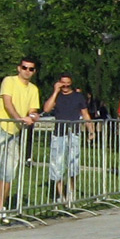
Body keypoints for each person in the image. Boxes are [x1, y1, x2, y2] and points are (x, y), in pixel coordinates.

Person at [0, 58, 41, 213]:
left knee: (8, 171)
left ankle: (0, 206)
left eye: (31, 69)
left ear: (34, 72)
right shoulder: (9, 81)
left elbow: (32, 109)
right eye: (24, 67)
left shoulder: (33, 89)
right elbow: (7, 103)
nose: (27, 71)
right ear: (19, 68)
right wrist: (19, 118)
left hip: (14, 132)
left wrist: (33, 116)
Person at [43, 72, 93, 203]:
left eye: (67, 84)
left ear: (71, 84)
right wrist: (55, 92)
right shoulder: (57, 96)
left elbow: (85, 114)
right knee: (57, 165)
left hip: (74, 133)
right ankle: (60, 195)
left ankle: (71, 191)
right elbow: (46, 109)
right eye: (62, 84)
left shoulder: (78, 97)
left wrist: (91, 130)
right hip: (59, 133)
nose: (65, 86)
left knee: (73, 165)